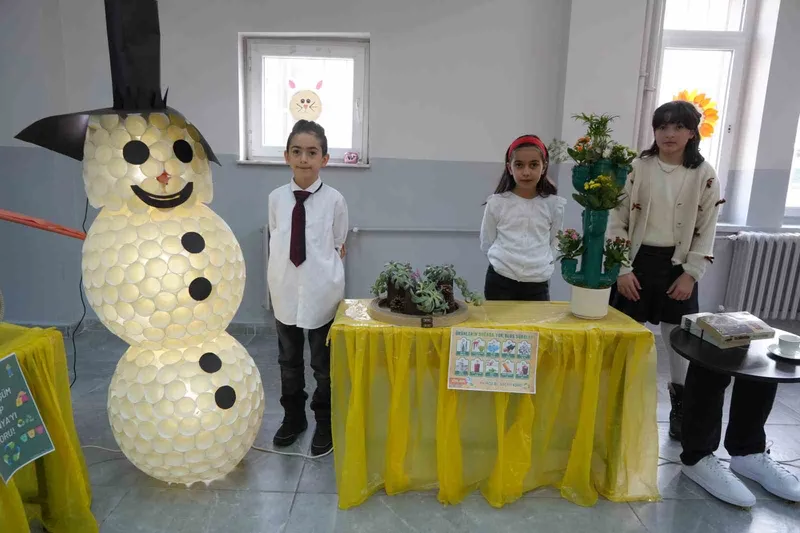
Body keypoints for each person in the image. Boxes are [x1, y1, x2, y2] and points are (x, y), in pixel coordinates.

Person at [608, 100, 800, 507]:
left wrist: (691, 273)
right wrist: (621, 268)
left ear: (692, 132)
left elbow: (706, 228)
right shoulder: (637, 168)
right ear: (654, 130)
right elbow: (616, 219)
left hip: (677, 265)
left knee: (679, 338)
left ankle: (681, 405)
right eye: (662, 126)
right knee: (625, 334)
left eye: (678, 127)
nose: (669, 134)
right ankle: (618, 403)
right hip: (636, 262)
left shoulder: (704, 174)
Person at [267, 120, 348, 456]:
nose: (304, 159)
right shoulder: (276, 199)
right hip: (285, 288)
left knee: (323, 365)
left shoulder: (334, 200)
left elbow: (339, 242)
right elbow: (276, 235)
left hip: (321, 292)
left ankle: (324, 421)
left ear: (324, 159)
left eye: (312, 152)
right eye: (297, 151)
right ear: (286, 156)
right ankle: (294, 417)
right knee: (288, 360)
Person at [480, 135, 566, 301]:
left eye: (534, 165)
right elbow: (487, 241)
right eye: (519, 165)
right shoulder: (497, 203)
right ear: (510, 168)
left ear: (543, 167)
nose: (526, 172)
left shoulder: (554, 205)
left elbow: (556, 240)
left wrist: (542, 263)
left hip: (537, 283)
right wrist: (504, 262)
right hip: (500, 280)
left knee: (535, 320)